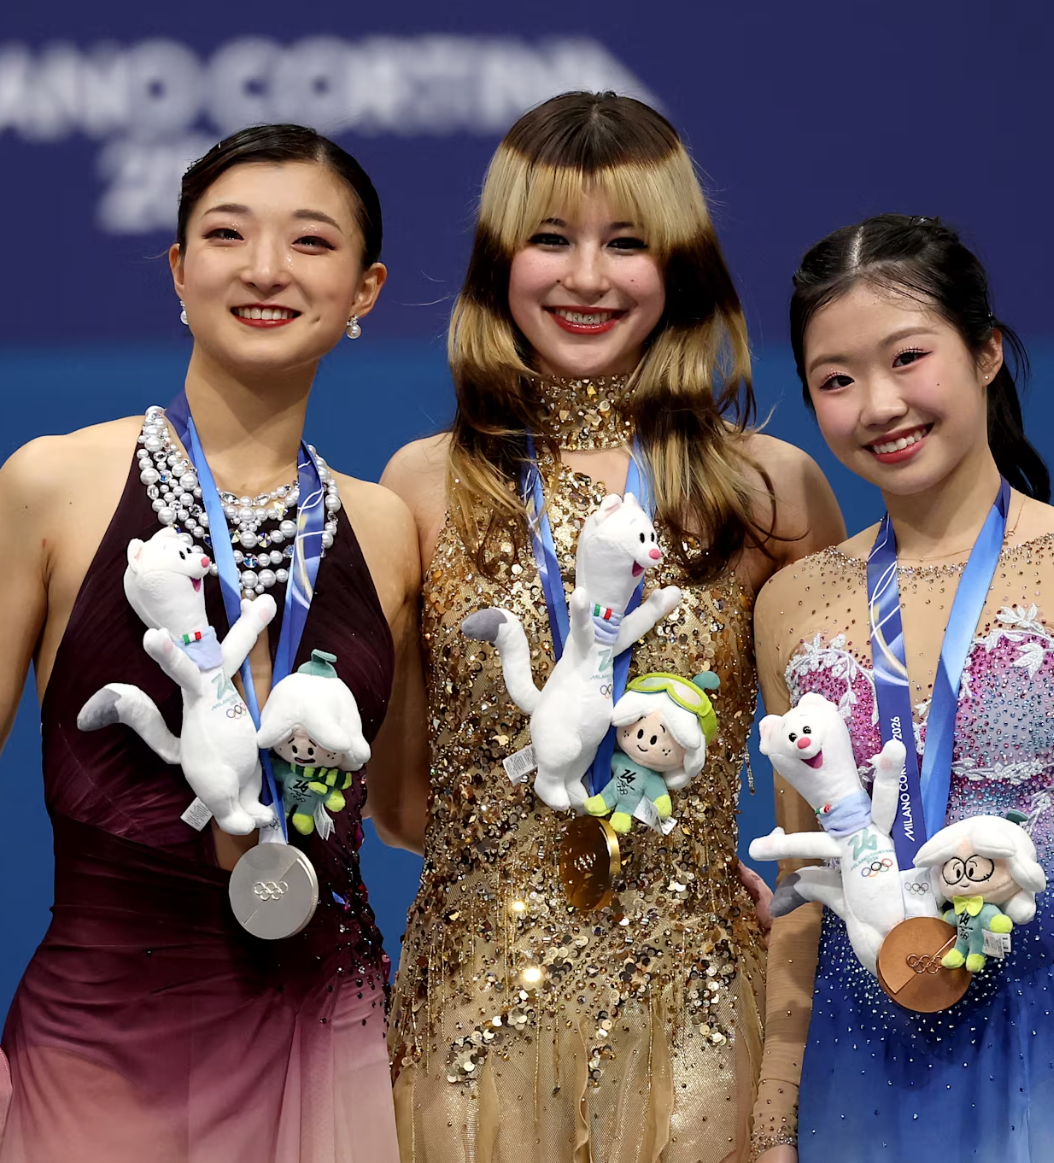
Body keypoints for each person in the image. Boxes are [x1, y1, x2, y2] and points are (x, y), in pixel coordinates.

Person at [0, 124, 418, 1163]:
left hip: (329, 1036)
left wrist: (647, 858)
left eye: (311, 242)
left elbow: (411, 804)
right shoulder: (53, 483)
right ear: (182, 271)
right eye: (228, 235)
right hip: (99, 1039)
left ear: (365, 290)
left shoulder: (387, 527)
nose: (266, 268)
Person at [370, 92, 847, 1163]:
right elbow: (399, 800)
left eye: (625, 243)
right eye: (551, 239)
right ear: (499, 260)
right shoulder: (420, 488)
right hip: (471, 1013)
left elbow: (834, 792)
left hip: (702, 1018)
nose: (586, 277)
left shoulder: (769, 491)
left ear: (677, 263)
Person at [751, 215, 1054, 1163]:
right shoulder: (790, 603)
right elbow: (805, 889)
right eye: (836, 380)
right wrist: (772, 1120)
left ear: (987, 351)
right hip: (856, 1049)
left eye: (908, 357)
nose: (879, 404)